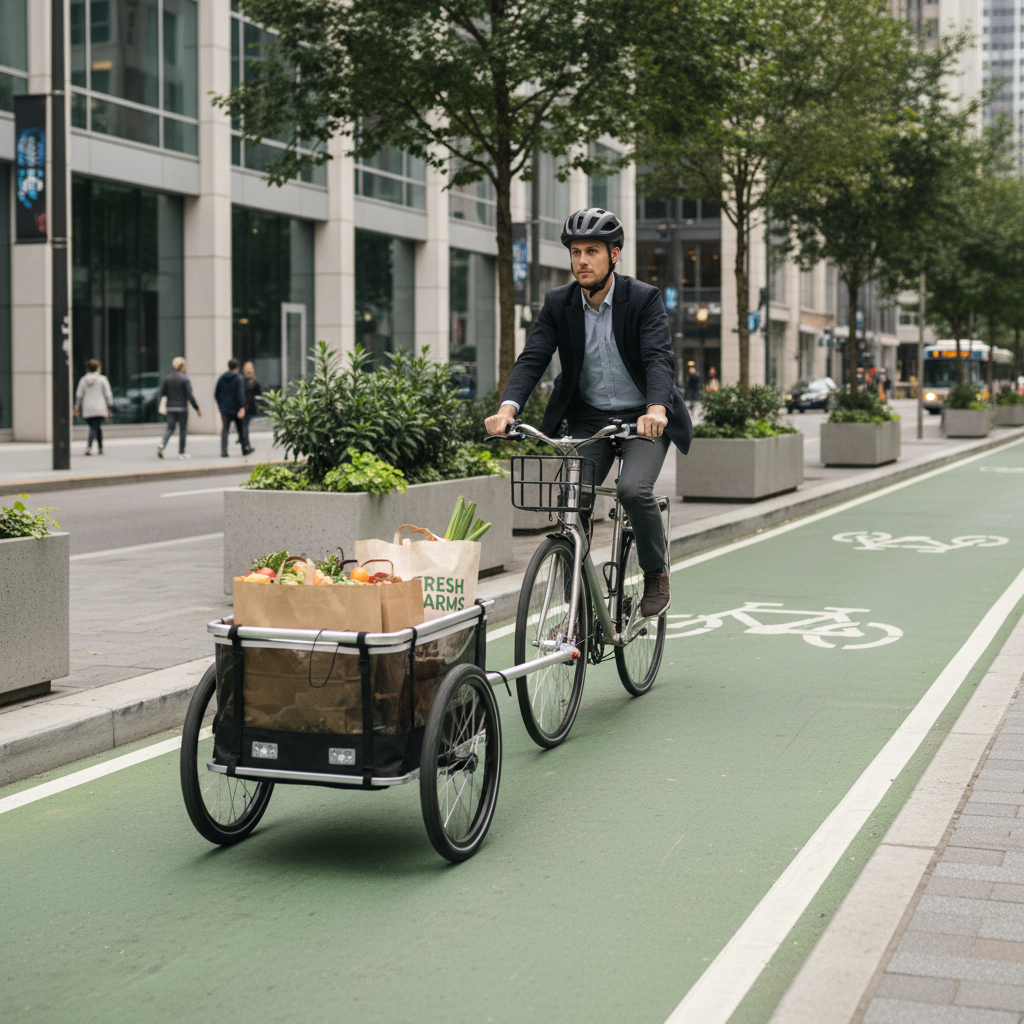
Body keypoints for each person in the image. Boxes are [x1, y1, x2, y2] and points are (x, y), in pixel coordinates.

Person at [485, 207, 692, 618]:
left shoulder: (644, 299)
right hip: (591, 417)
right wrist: (508, 408)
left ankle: (656, 573)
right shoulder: (558, 303)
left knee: (634, 490)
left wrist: (655, 408)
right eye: (576, 252)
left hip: (643, 417)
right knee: (570, 502)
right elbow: (533, 359)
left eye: (592, 251)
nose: (582, 260)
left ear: (614, 255)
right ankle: (576, 603)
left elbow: (657, 359)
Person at [157, 357, 201, 459]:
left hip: (171, 407)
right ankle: (181, 452)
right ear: (182, 366)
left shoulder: (168, 378)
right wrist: (196, 408)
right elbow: (190, 396)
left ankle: (162, 443)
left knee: (170, 427)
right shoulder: (185, 379)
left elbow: (163, 393)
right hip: (182, 408)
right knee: (182, 430)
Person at [73, 358, 113, 456]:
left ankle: (100, 447)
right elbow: (108, 394)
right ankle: (89, 447)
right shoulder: (102, 379)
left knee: (95, 427)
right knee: (95, 427)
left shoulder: (83, 380)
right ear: (98, 368)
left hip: (88, 408)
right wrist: (109, 406)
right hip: (99, 407)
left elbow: (79, 394)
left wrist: (77, 405)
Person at [215, 358, 247, 457]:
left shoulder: (222, 378)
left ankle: (223, 450)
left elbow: (216, 394)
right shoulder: (239, 378)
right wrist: (242, 406)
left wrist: (221, 405)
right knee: (240, 429)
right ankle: (244, 448)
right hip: (236, 408)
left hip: (225, 408)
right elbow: (240, 393)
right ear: (237, 367)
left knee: (225, 429)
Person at [241, 361, 261, 455]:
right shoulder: (254, 381)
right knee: (245, 427)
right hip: (250, 406)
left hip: (243, 405)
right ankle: (246, 444)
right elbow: (258, 392)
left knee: (244, 426)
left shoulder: (242, 380)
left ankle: (245, 444)